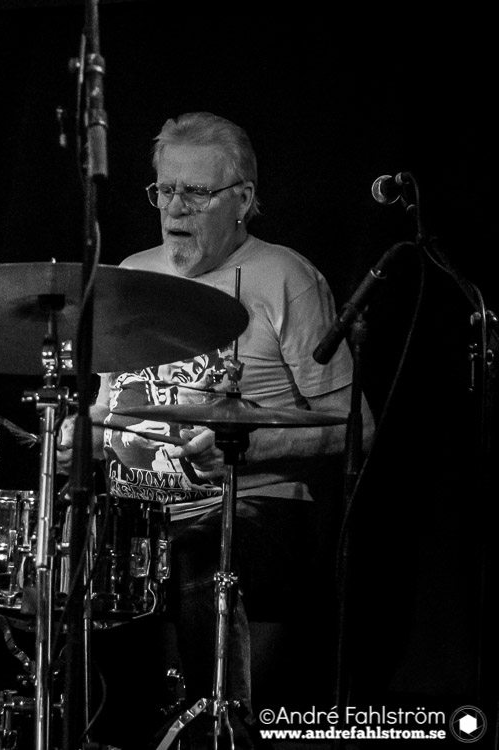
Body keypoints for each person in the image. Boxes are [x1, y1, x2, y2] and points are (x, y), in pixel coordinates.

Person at [58, 111, 375, 746]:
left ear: (243, 200)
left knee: (197, 556)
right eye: (164, 189)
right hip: (137, 516)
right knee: (43, 562)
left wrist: (247, 447)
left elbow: (356, 427)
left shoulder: (285, 278)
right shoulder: (131, 272)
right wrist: (76, 438)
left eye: (196, 193)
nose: (175, 207)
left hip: (252, 513)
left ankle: (218, 734)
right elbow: (108, 410)